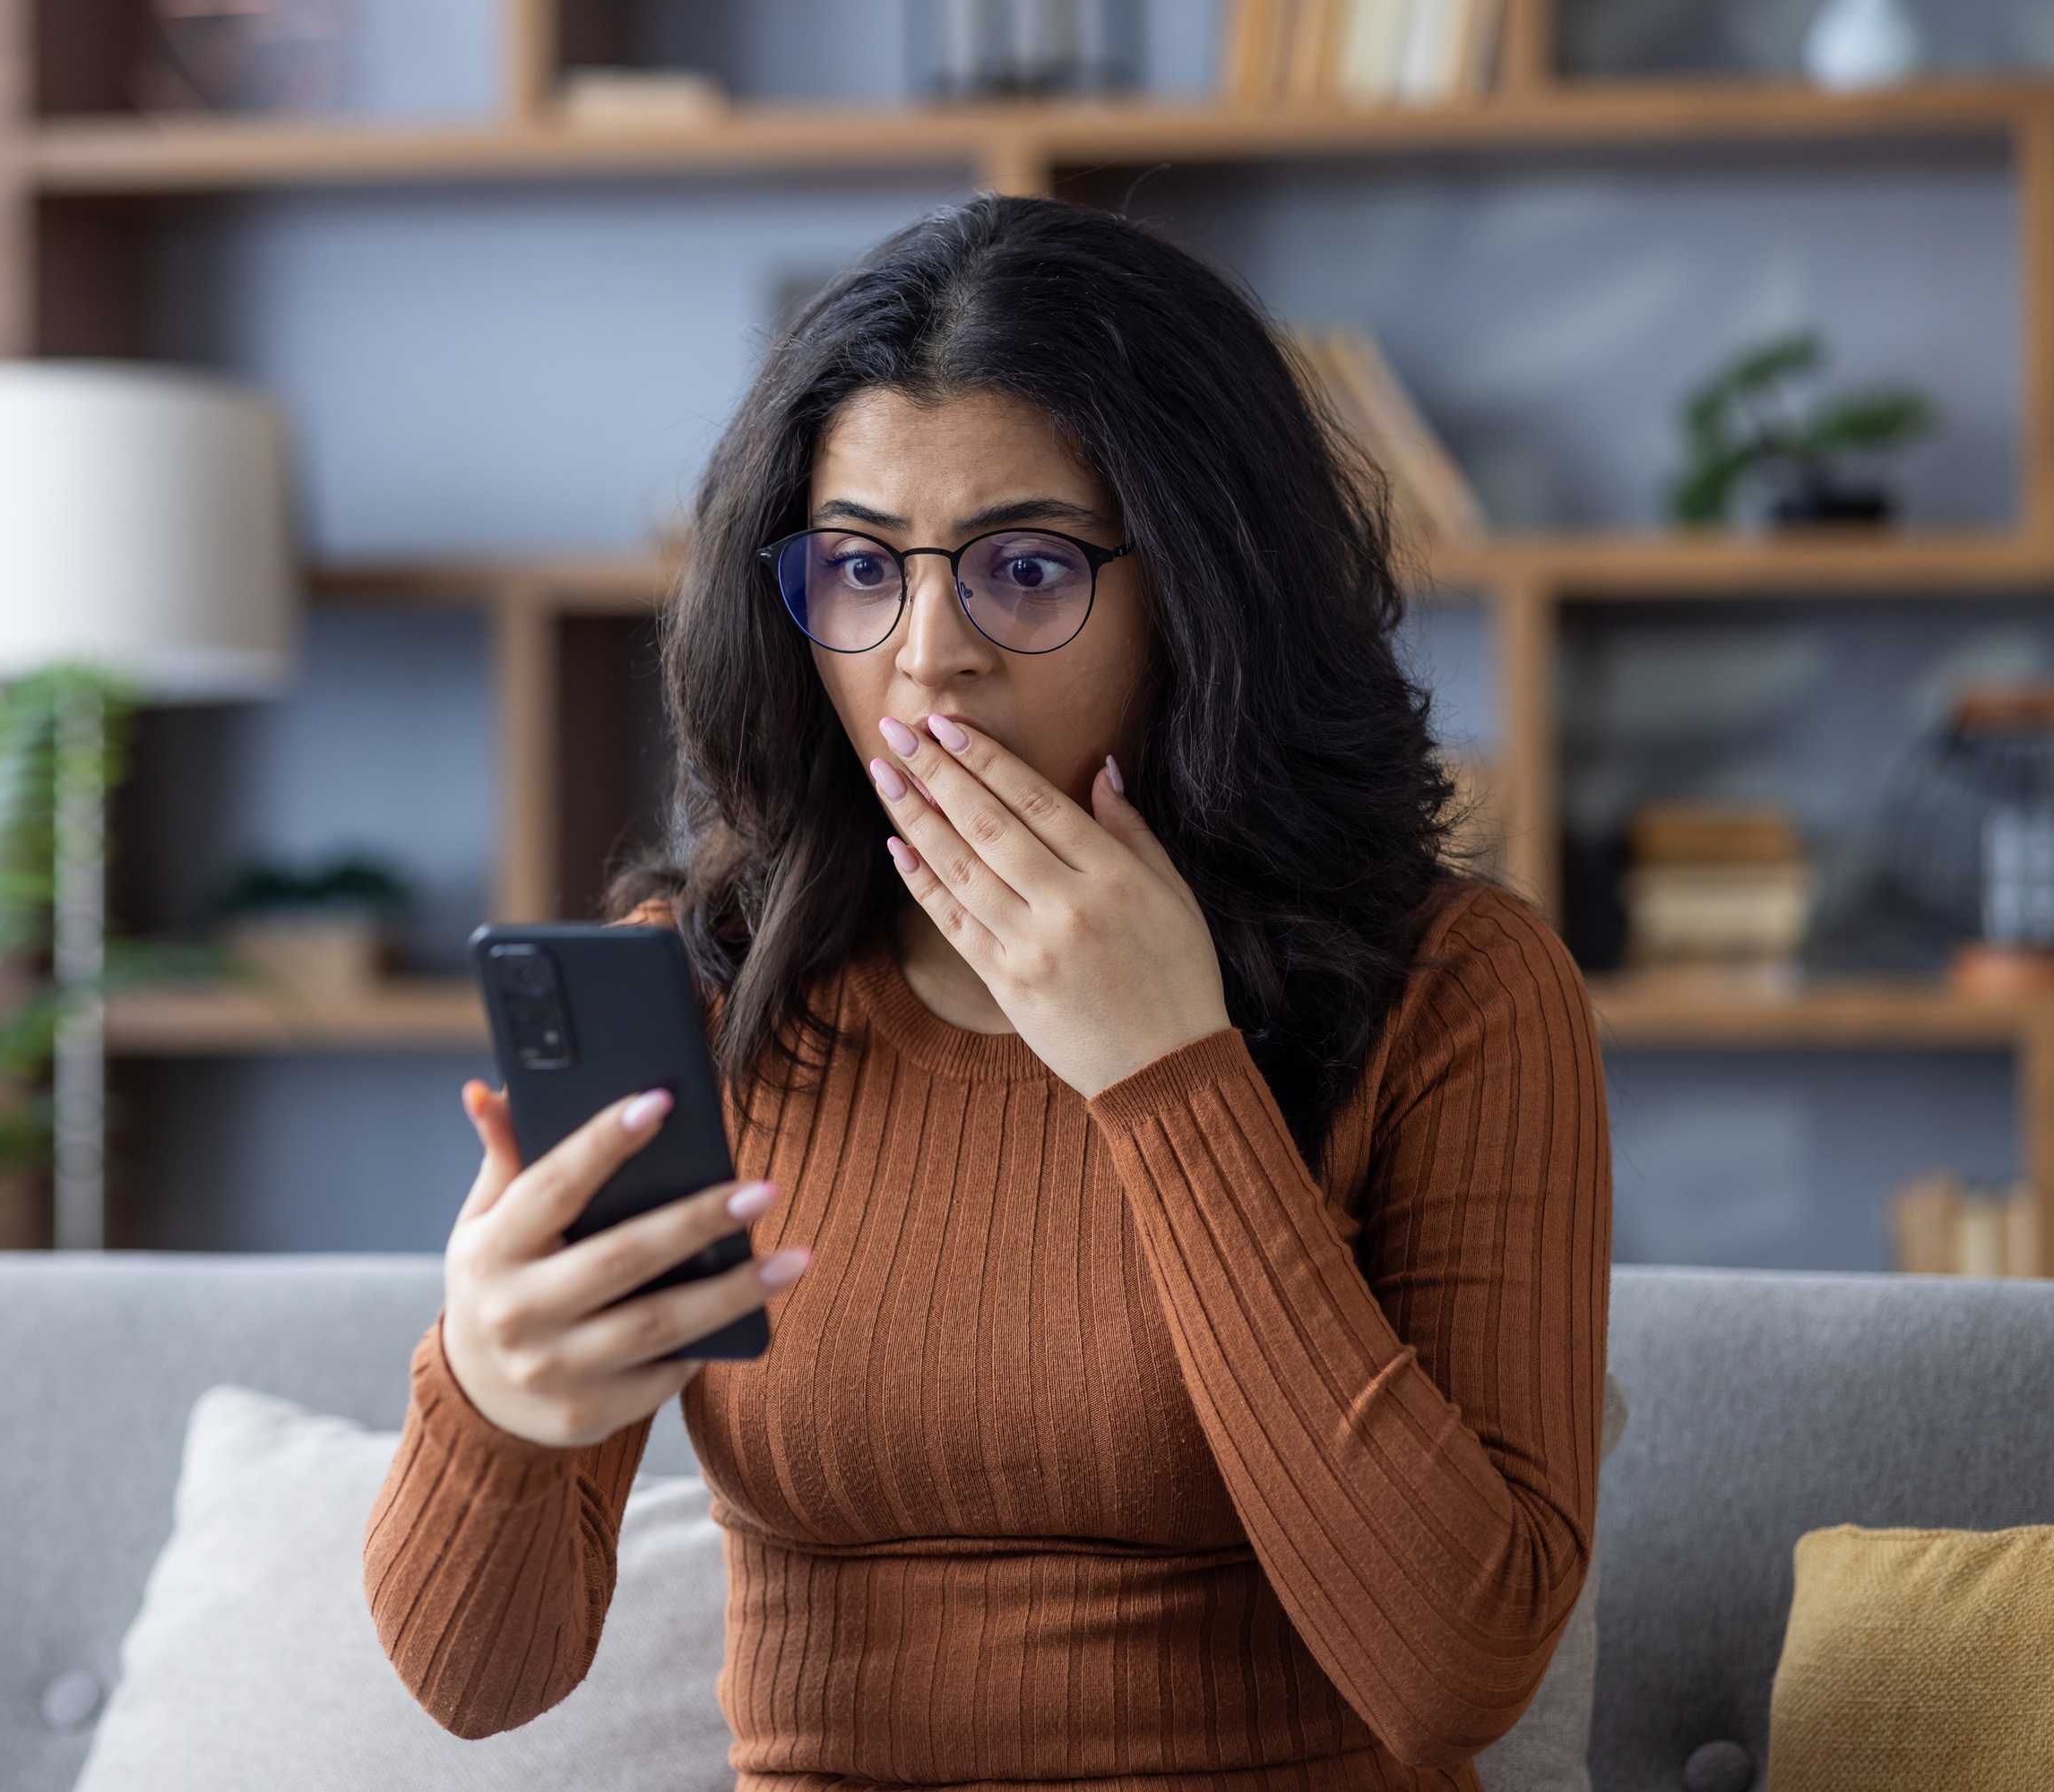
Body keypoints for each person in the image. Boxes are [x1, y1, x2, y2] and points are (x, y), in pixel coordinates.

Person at [364, 194, 1610, 1792]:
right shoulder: (711, 982)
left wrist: (1170, 1076)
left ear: (1205, 591)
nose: (929, 654)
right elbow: (480, 1684)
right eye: (862, 568)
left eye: (1025, 567)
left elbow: (1457, 1675)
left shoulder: (1455, 990)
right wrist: (486, 1392)